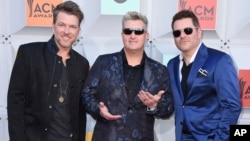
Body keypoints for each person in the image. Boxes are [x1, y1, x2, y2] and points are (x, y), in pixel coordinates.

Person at [81, 11, 174, 141]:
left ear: (146, 35)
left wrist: (154, 106)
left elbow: (169, 109)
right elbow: (86, 95)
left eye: (138, 31)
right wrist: (99, 110)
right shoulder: (103, 63)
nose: (132, 36)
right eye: (128, 31)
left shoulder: (159, 70)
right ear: (122, 35)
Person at [7, 1, 89, 141]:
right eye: (62, 25)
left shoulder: (82, 63)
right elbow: (15, 102)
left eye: (72, 27)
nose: (67, 31)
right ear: (53, 27)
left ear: (78, 31)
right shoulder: (29, 54)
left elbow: (81, 111)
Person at [167, 9, 241, 141]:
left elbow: (231, 106)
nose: (182, 35)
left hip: (209, 137)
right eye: (177, 33)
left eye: (188, 30)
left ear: (199, 32)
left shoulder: (219, 60)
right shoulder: (171, 65)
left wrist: (219, 138)